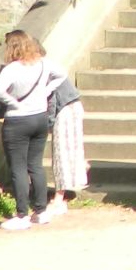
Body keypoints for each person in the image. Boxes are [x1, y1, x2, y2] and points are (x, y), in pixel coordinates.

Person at [0, 29, 63, 230]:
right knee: (36, 165)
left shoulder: (12, 69)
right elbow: (62, 74)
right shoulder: (43, 64)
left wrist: (13, 102)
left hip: (17, 121)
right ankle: (41, 211)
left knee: (18, 168)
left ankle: (22, 214)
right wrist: (46, 91)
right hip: (39, 118)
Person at [45, 70, 87, 219]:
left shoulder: (43, 69)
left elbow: (52, 99)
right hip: (71, 106)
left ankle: (58, 200)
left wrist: (49, 123)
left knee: (61, 154)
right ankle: (62, 194)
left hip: (64, 110)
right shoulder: (47, 66)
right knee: (66, 152)